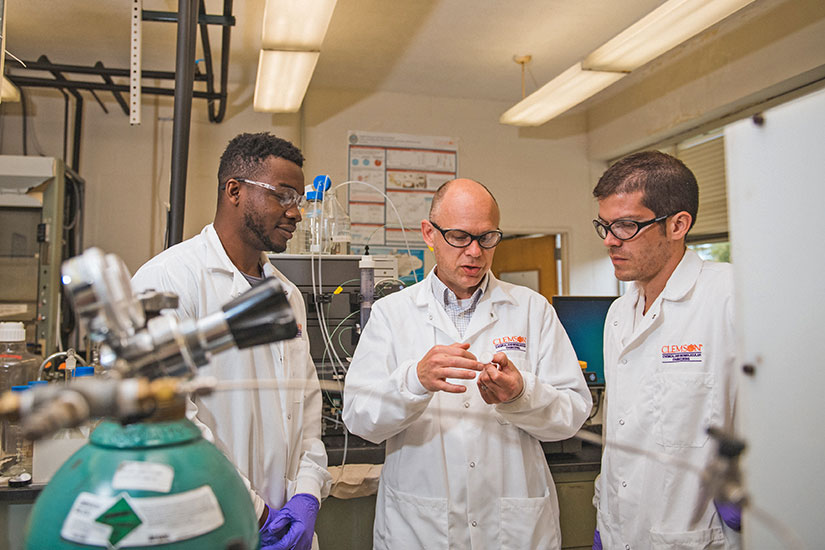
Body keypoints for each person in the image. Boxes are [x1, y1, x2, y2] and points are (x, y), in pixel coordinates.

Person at [342, 178, 592, 549]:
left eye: (487, 237)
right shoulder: (391, 314)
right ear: (430, 234)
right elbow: (359, 417)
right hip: (420, 527)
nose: (475, 252)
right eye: (459, 237)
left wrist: (521, 394)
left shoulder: (531, 309)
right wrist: (414, 380)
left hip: (512, 528)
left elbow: (573, 413)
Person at [131, 132, 331, 550]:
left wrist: (308, 494)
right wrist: (254, 510)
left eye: (300, 201)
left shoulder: (287, 295)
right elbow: (168, 419)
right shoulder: (166, 282)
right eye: (283, 196)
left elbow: (308, 405)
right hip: (211, 525)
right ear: (234, 191)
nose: (296, 213)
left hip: (287, 525)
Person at [591, 151, 740, 550]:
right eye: (604, 225)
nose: (609, 240)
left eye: (625, 226)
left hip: (696, 535)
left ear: (677, 224)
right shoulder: (619, 314)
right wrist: (606, 519)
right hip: (621, 528)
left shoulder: (733, 297)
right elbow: (622, 429)